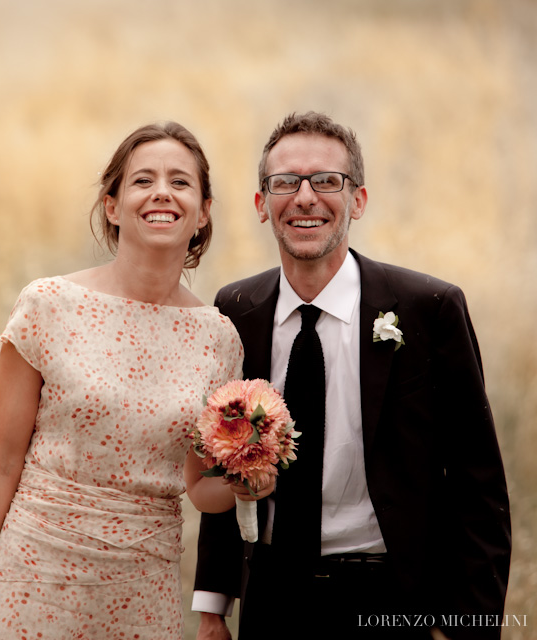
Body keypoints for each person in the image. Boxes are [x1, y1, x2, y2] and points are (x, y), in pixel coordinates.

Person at [0, 122, 270, 640]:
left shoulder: (218, 339)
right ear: (113, 206)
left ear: (203, 212)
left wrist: (245, 485)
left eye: (180, 182)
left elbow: (199, 490)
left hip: (143, 595)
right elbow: (1, 460)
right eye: (143, 180)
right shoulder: (48, 306)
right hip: (31, 579)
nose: (162, 192)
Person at [192, 112, 512, 640]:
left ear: (358, 200)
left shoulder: (427, 308)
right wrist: (211, 610)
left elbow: (479, 487)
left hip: (393, 598)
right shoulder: (236, 309)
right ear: (260, 204)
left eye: (326, 180)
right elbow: (226, 454)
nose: (304, 197)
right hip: (271, 596)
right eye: (284, 182)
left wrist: (467, 628)